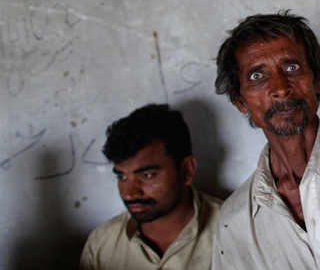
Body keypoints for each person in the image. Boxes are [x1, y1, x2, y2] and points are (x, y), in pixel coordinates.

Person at [211, 10, 320, 269]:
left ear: (316, 78)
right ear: (240, 100)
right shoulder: (235, 221)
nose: (280, 88)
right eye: (257, 76)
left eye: (291, 67)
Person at [79, 104, 223, 270]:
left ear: (187, 171)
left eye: (146, 175)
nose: (129, 194)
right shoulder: (101, 244)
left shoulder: (234, 231)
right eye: (122, 177)